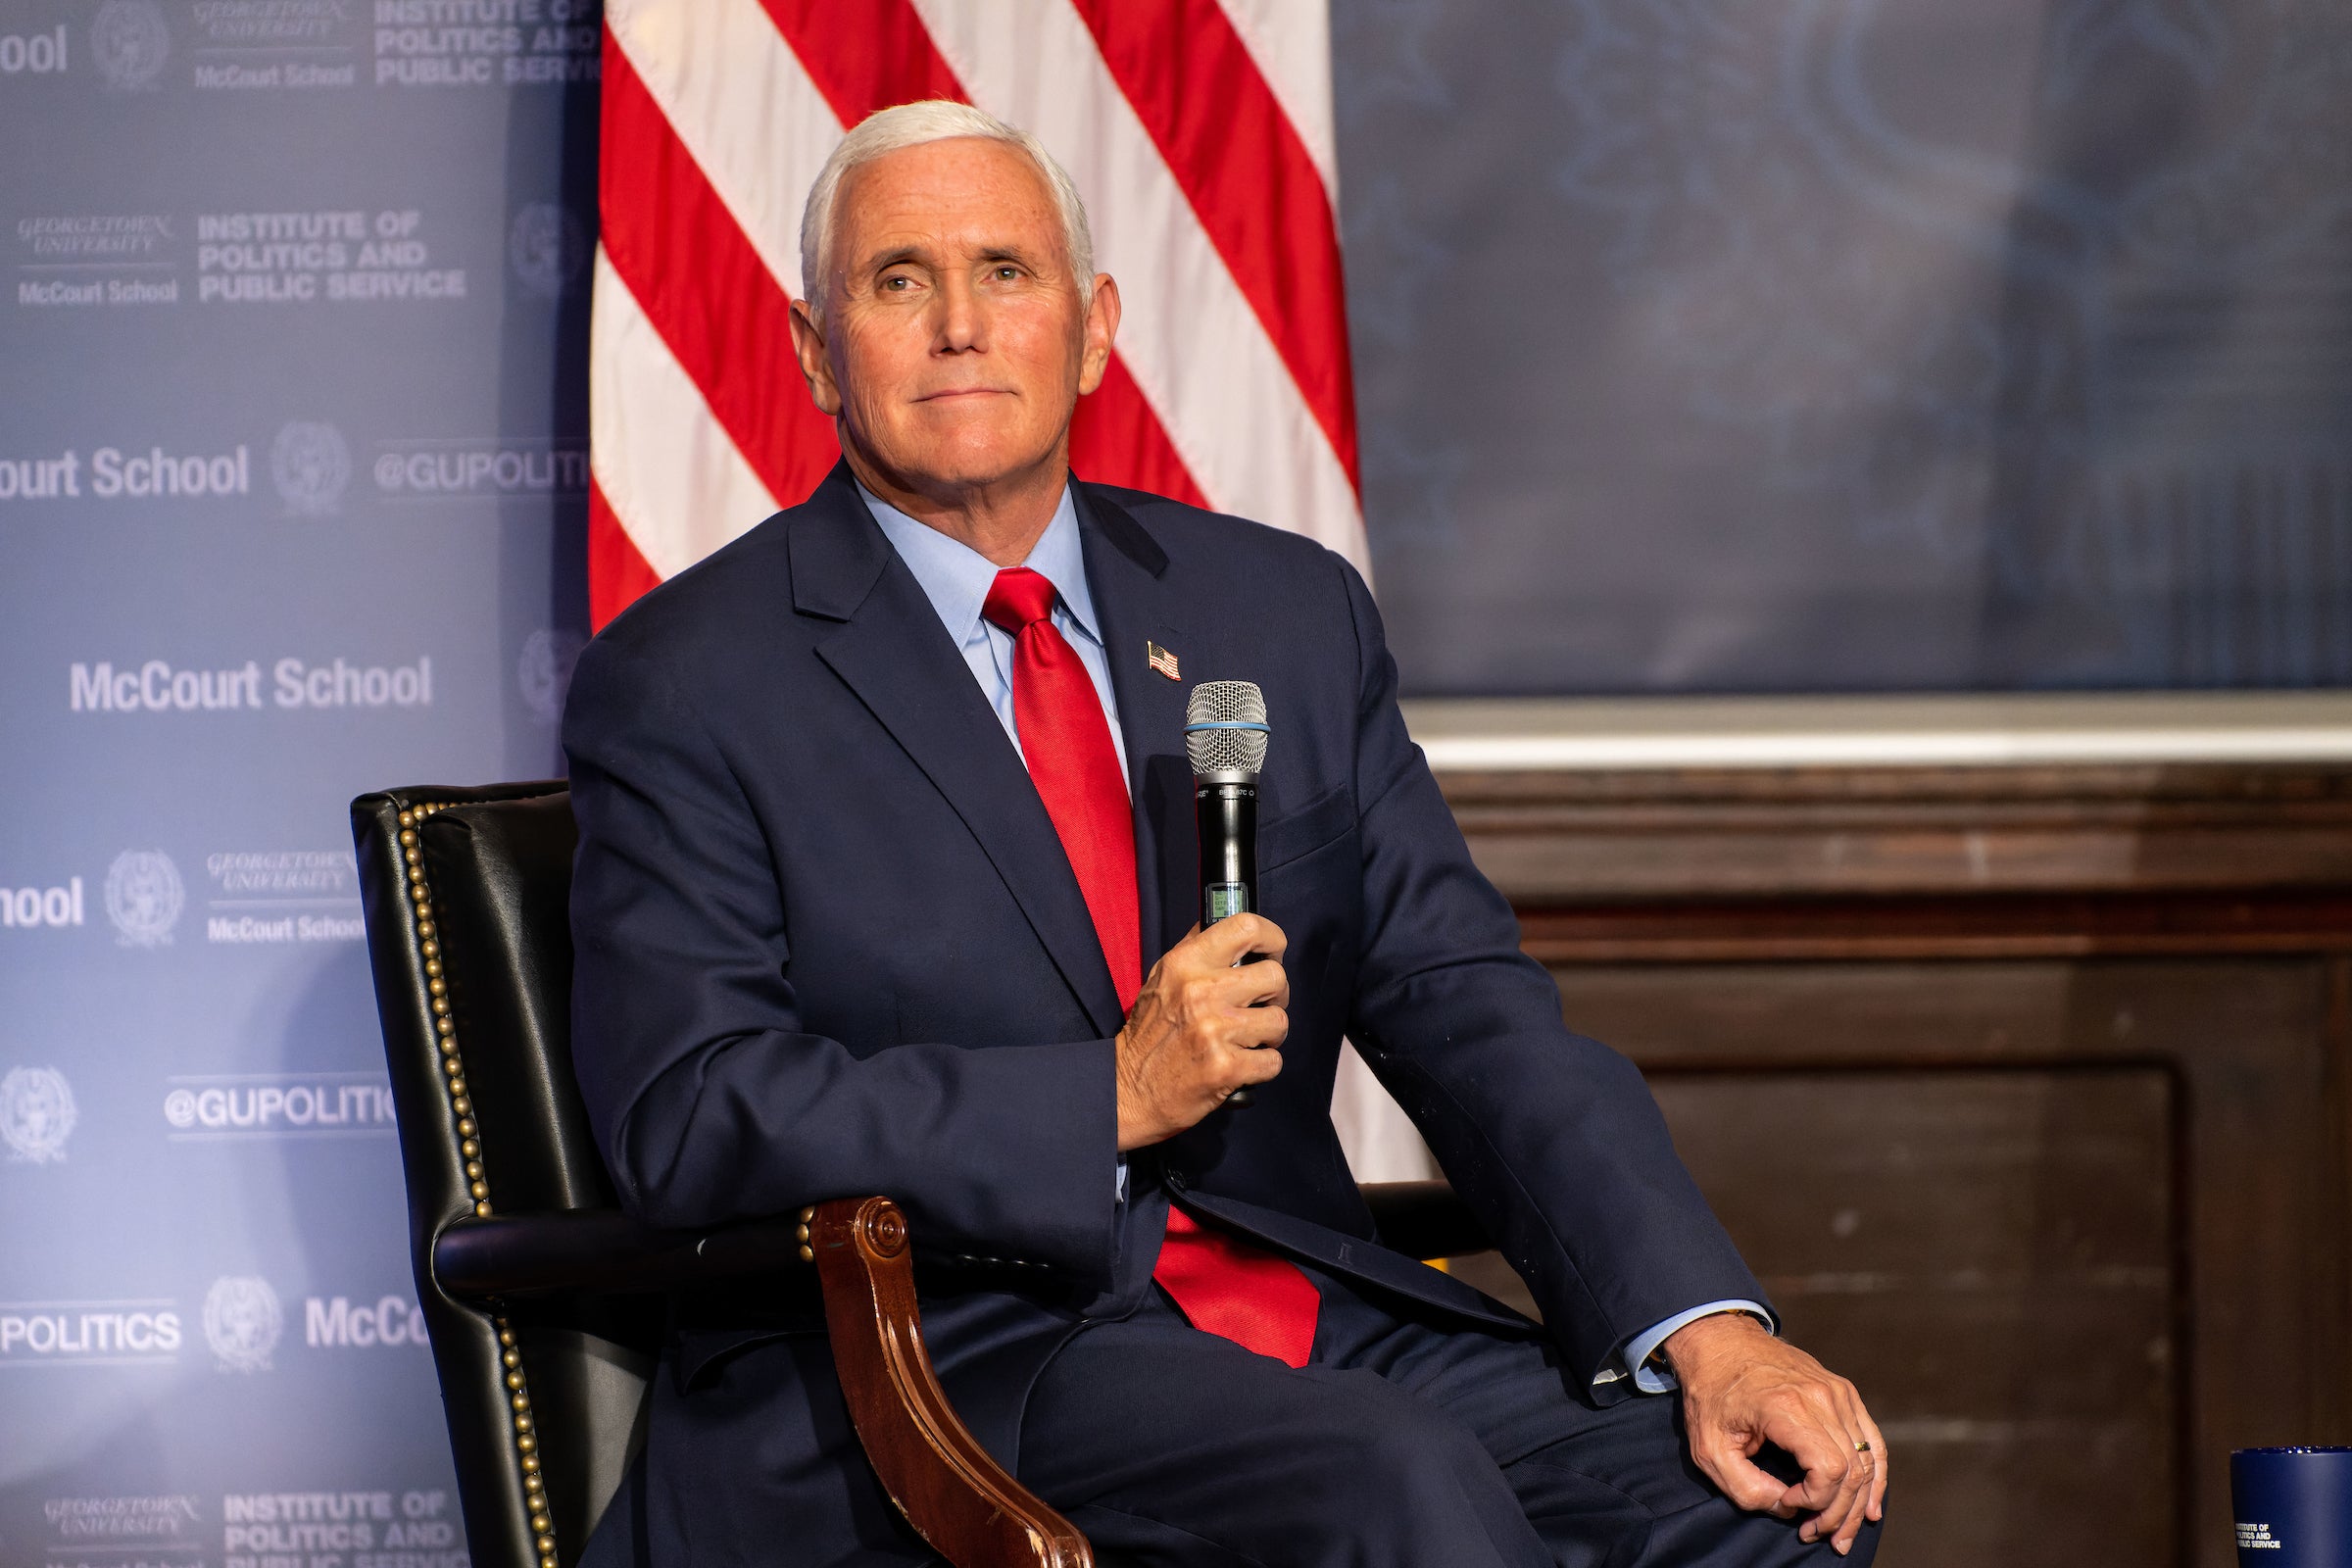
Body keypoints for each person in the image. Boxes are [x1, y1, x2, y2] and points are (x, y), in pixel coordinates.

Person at [564, 100, 1886, 1568]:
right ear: (816, 350)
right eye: (897, 281)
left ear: (1093, 328)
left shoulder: (1279, 612)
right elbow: (695, 1113)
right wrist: (1105, 1098)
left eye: (1007, 270)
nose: (958, 325)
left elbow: (1465, 1005)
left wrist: (1704, 1330)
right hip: (961, 1359)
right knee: (1393, 1485)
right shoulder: (690, 680)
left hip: (1296, 1301)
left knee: (1745, 1502)